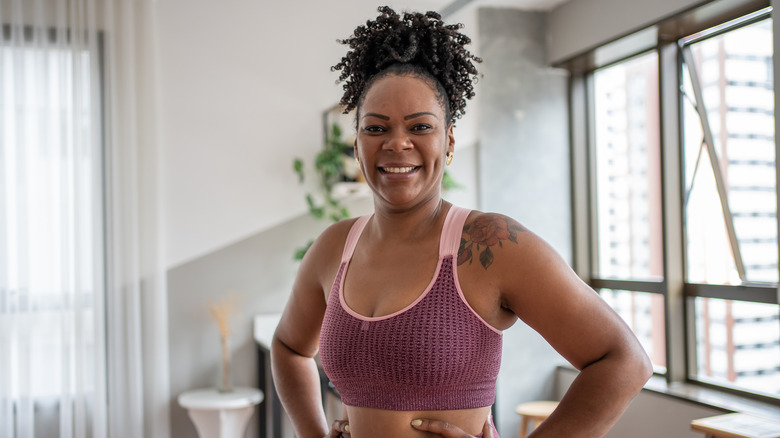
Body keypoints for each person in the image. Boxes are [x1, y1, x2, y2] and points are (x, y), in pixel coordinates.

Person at [271, 6, 652, 438]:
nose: (397, 142)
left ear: (448, 141)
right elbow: (288, 348)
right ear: (357, 143)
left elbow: (623, 361)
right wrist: (313, 434)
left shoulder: (492, 244)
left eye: (420, 126)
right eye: (376, 128)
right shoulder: (334, 246)